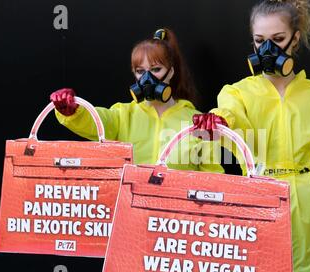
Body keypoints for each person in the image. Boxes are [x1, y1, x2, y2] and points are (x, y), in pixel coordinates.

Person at [194, 0, 310, 272]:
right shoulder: (238, 93)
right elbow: (229, 117)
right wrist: (217, 123)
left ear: (295, 38)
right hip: (259, 208)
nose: (268, 50)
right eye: (260, 41)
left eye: (278, 40)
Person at [51, 28, 222, 172]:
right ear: (134, 74)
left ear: (171, 71)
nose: (147, 78)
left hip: (177, 209)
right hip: (132, 208)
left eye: (156, 69)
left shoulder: (196, 121)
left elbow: (213, 176)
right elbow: (97, 120)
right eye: (140, 71)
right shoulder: (123, 116)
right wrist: (73, 110)